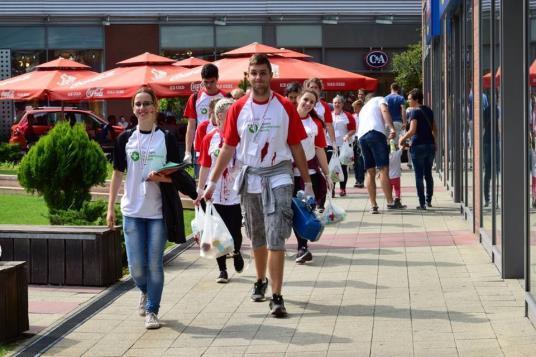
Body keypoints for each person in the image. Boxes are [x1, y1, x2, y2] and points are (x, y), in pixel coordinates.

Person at [202, 54, 313, 318]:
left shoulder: (285, 106)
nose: (258, 78)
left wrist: (307, 182)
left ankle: (277, 296)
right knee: (257, 235)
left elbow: (296, 144)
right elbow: (228, 147)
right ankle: (260, 279)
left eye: (263, 73)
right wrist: (211, 182)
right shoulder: (239, 108)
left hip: (279, 176)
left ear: (270, 76)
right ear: (248, 75)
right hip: (250, 177)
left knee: (276, 236)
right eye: (254, 73)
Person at [107, 87, 182, 329]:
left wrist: (160, 177)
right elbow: (118, 174)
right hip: (132, 211)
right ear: (133, 109)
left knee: (154, 263)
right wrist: (111, 208)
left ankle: (152, 310)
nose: (142, 108)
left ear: (155, 107)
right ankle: (144, 290)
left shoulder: (167, 138)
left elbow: (178, 177)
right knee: (136, 268)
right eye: (138, 104)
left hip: (158, 212)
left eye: (147, 103)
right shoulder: (124, 139)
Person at [195, 98, 244, 283]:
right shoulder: (210, 138)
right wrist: (200, 190)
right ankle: (222, 270)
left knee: (234, 230)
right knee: (217, 232)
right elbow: (205, 166)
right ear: (220, 116)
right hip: (214, 192)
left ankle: (237, 251)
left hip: (234, 191)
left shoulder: (240, 137)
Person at [293, 88, 332, 263]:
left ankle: (302, 247)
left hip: (308, 175)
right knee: (285, 211)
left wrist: (328, 174)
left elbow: (320, 149)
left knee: (302, 211)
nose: (308, 104)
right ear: (299, 98)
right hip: (285, 174)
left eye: (312, 102)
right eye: (306, 100)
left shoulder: (315, 123)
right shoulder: (287, 118)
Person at [357, 93, 397, 214]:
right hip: (375, 133)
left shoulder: (363, 108)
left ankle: (373, 205)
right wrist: (392, 128)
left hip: (362, 137)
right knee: (383, 169)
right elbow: (384, 110)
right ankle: (390, 202)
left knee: (370, 171)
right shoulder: (380, 98)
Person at [398, 88, 436, 210]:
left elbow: (412, 130)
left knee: (419, 175)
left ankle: (422, 203)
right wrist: (434, 143)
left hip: (418, 146)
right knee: (428, 174)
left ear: (416, 99)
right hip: (430, 145)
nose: (408, 101)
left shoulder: (415, 112)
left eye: (409, 99)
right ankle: (428, 200)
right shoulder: (429, 110)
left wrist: (402, 139)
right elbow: (435, 129)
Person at [183, 63, 226, 168]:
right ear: (202, 80)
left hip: (220, 147)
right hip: (201, 148)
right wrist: (187, 151)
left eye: (212, 82)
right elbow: (191, 126)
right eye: (206, 82)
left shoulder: (225, 97)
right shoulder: (195, 98)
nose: (209, 85)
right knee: (201, 183)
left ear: (217, 79)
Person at [331, 95, 356, 197]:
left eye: (339, 103)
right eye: (335, 102)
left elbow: (353, 129)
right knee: (331, 168)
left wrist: (347, 135)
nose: (337, 104)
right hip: (330, 145)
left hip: (343, 145)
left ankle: (342, 189)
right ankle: (331, 189)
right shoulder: (328, 115)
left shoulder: (347, 115)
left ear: (342, 104)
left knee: (342, 167)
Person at [303, 78, 336, 146]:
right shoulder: (302, 103)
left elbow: (329, 125)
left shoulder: (324, 106)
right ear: (308, 89)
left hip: (320, 141)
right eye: (311, 87)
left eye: (316, 87)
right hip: (304, 140)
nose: (313, 89)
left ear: (320, 90)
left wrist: (334, 143)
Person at [388, 142, 407, 209]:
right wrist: (402, 141)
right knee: (397, 189)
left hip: (388, 177)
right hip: (396, 177)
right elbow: (403, 147)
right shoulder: (397, 153)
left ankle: (390, 201)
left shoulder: (385, 157)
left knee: (389, 189)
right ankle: (397, 201)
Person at [352, 99, 365, 188]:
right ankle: (357, 179)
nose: (354, 110)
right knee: (355, 161)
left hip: (361, 138)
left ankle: (361, 180)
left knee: (360, 160)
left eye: (356, 108)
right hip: (353, 139)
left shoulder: (365, 116)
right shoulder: (353, 116)